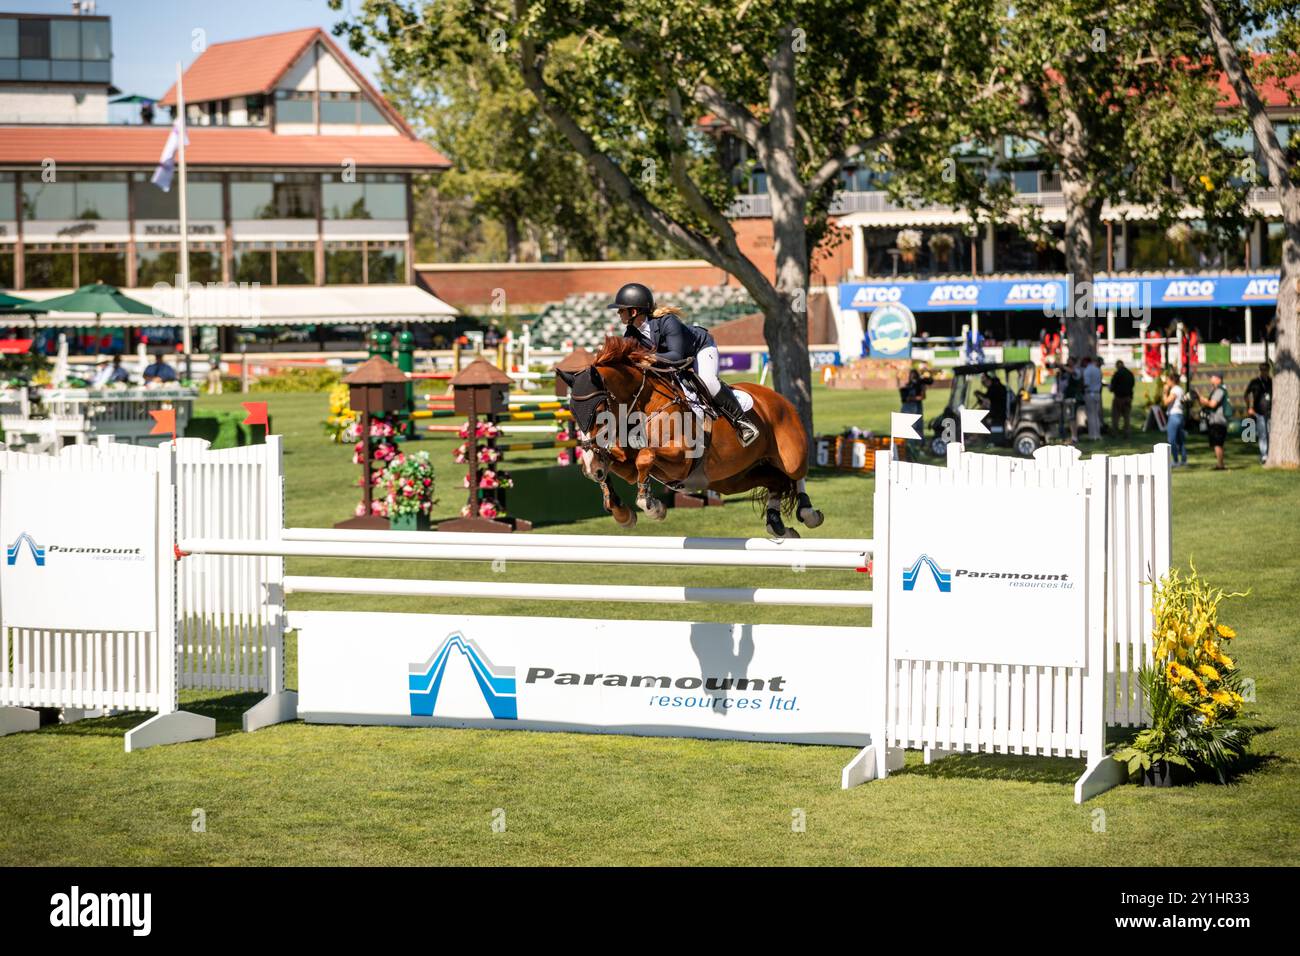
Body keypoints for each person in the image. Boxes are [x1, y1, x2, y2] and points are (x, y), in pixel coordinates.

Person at [611, 283, 760, 446]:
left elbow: (676, 356)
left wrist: (650, 357)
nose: (619, 313)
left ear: (633, 311)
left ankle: (742, 422)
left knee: (708, 381)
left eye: (621, 310)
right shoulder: (631, 333)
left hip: (699, 349)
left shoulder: (667, 321)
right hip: (670, 360)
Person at [1197, 371, 1230, 471]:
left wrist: (1200, 398)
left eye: (1213, 377)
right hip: (1215, 420)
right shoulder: (1215, 390)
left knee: (1217, 443)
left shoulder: (1219, 390)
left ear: (1218, 379)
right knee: (1216, 443)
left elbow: (1212, 404)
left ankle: (1220, 465)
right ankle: (1220, 464)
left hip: (1218, 420)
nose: (1211, 378)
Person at [1244, 362, 1272, 464]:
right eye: (1262, 370)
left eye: (1266, 370)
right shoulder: (1255, 382)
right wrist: (1249, 407)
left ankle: (1270, 453)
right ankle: (1264, 455)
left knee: (1270, 433)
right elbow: (1246, 395)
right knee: (1262, 434)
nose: (1264, 372)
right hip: (1259, 412)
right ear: (1260, 370)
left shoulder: (1271, 382)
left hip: (1270, 411)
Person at [1164, 372, 1188, 467]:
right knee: (1180, 439)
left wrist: (1165, 392)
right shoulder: (1180, 389)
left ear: (1172, 380)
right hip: (1180, 415)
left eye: (1168, 380)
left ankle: (1175, 460)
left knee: (1172, 439)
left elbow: (1166, 402)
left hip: (1174, 416)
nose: (1166, 382)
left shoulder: (1174, 390)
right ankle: (1184, 460)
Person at [1108, 359, 1135, 438]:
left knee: (1116, 416)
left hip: (1118, 398)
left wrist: (1111, 389)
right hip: (1128, 398)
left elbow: (1113, 386)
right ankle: (1127, 433)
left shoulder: (1117, 374)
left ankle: (1115, 433)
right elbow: (1132, 385)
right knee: (1127, 417)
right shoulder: (1130, 373)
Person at [1082, 356, 1103, 440]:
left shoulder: (1087, 370)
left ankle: (1092, 435)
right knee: (1096, 415)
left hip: (1090, 393)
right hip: (1097, 393)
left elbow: (1086, 384)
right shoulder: (1098, 370)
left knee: (1091, 415)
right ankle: (1098, 434)